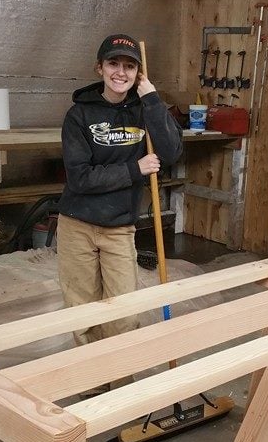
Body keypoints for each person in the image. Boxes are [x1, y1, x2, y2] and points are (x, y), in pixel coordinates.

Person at [57, 33, 183, 377]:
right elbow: (80, 178)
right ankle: (93, 382)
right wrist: (134, 168)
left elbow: (171, 153)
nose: (120, 72)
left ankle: (121, 382)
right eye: (113, 63)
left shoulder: (146, 109)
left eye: (129, 66)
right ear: (100, 67)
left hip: (119, 226)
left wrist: (153, 98)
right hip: (77, 224)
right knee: (82, 310)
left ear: (138, 74)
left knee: (124, 311)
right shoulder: (79, 115)